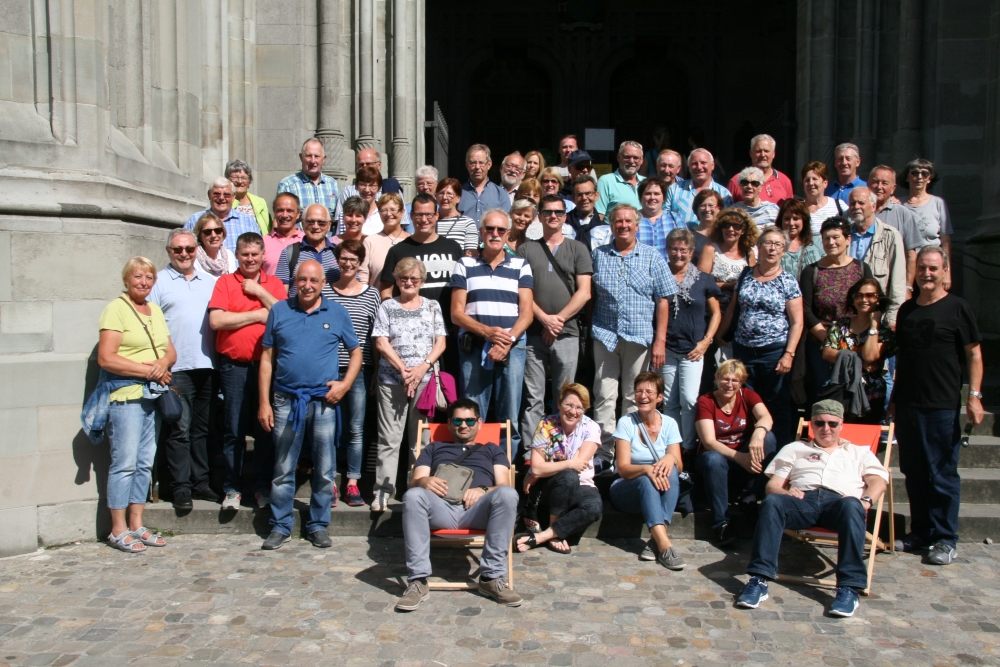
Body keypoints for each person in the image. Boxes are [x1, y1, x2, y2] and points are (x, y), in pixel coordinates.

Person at [735, 400, 889, 617]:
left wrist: (865, 501)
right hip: (802, 502)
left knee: (852, 504)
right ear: (811, 425)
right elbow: (772, 486)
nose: (826, 429)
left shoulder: (859, 452)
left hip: (840, 505)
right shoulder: (795, 449)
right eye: (820, 423)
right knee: (772, 502)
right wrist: (785, 493)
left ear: (841, 425)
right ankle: (759, 579)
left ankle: (848, 588)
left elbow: (878, 482)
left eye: (832, 424)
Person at [257, 260, 362, 550]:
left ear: (323, 284)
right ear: (294, 281)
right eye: (302, 280)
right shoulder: (279, 310)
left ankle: (318, 524)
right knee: (283, 466)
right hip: (286, 399)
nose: (307, 285)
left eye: (313, 280)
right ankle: (280, 525)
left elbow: (356, 353)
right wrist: (263, 402)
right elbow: (266, 358)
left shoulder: (337, 312)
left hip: (323, 401)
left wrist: (345, 385)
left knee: (325, 467)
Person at [890, 246, 984, 565]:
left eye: (933, 268)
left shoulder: (958, 308)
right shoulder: (906, 311)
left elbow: (974, 354)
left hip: (941, 405)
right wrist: (894, 399)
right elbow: (902, 358)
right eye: (922, 269)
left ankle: (945, 538)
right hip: (908, 403)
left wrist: (974, 396)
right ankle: (921, 533)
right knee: (914, 472)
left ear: (945, 272)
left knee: (941, 474)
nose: (927, 274)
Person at [395, 399, 520, 611]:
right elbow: (414, 482)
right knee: (414, 495)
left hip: (478, 511)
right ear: (449, 423)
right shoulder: (434, 447)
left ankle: (491, 577)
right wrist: (424, 482)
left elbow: (503, 485)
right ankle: (418, 581)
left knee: (508, 494)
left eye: (470, 420)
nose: (464, 425)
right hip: (440, 508)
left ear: (479, 422)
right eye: (458, 420)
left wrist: (482, 490)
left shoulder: (492, 449)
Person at [96, 257, 178, 552]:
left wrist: (161, 364)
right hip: (126, 397)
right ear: (127, 280)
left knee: (145, 463)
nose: (143, 282)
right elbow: (106, 358)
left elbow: (170, 351)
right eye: (138, 277)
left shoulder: (154, 309)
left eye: (148, 277)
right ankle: (117, 529)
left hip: (152, 396)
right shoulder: (116, 309)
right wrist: (148, 370)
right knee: (125, 463)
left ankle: (137, 523)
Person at [590, 203, 677, 464]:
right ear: (612, 225)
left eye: (629, 221)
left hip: (639, 337)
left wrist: (660, 340)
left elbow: (663, 300)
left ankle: (628, 455)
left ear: (637, 226)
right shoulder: (598, 255)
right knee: (604, 395)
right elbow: (590, 295)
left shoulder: (652, 256)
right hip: (605, 335)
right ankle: (604, 454)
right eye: (618, 221)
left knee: (634, 396)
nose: (624, 225)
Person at [208, 232, 288, 510]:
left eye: (255, 254)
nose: (250, 259)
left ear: (263, 255)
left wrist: (259, 292)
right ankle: (232, 488)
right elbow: (217, 321)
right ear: (237, 255)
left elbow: (284, 315)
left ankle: (262, 486)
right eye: (245, 254)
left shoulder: (274, 284)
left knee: (266, 428)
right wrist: (256, 315)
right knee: (233, 428)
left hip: (268, 368)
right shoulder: (225, 282)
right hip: (235, 367)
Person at [451, 209, 534, 461]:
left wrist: (505, 342)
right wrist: (487, 333)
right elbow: (456, 313)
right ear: (481, 232)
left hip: (512, 348)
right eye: (489, 229)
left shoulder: (521, 264)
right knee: (473, 411)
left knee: (509, 411)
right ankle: (473, 465)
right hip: (474, 347)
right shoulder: (464, 264)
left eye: (500, 230)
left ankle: (506, 469)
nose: (494, 234)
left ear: (508, 234)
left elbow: (527, 313)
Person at [148, 230, 218, 510]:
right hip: (176, 368)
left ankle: (201, 482)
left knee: (202, 430)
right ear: (169, 251)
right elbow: (150, 327)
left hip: (207, 365)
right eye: (178, 250)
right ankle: (180, 487)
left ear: (196, 250)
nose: (184, 254)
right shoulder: (158, 283)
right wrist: (160, 362)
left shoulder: (210, 282)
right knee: (179, 429)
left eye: (189, 249)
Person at [371, 258, 448, 512]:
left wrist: (422, 368)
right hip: (392, 380)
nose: (408, 282)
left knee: (420, 440)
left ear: (422, 282)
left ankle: (417, 489)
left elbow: (440, 342)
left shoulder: (432, 306)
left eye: (414, 279)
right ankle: (383, 491)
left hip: (425, 381)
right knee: (389, 439)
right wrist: (403, 370)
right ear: (396, 280)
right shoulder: (387, 306)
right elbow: (381, 342)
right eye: (403, 278)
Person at [517, 195, 594, 448]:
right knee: (533, 398)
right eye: (547, 212)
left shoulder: (578, 248)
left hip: (568, 332)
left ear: (564, 217)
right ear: (539, 216)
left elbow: (585, 292)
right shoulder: (526, 249)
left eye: (558, 212)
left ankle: (562, 451)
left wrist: (557, 321)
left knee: (565, 398)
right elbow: (522, 292)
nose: (553, 216)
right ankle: (532, 453)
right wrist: (543, 319)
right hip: (533, 334)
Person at [721, 227, 803, 442]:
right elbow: (732, 308)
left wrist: (789, 354)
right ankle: (747, 450)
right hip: (743, 350)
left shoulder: (788, 281)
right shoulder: (746, 274)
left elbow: (797, 321)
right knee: (746, 401)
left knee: (776, 403)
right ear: (758, 247)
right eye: (767, 243)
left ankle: (778, 452)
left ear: (784, 251)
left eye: (777, 244)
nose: (772, 248)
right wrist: (721, 334)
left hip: (773, 352)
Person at [608, 372, 686, 570]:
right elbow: (623, 469)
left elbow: (679, 465)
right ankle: (666, 545)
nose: (643, 396)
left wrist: (671, 457)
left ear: (659, 397)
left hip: (660, 488)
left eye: (649, 391)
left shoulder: (670, 424)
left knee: (672, 471)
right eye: (639, 391)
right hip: (627, 488)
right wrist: (646, 469)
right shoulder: (626, 423)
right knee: (645, 479)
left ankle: (656, 540)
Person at [695, 359, 777, 545]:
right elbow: (708, 441)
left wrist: (758, 432)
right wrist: (740, 457)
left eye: (735, 380)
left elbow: (766, 417)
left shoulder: (748, 395)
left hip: (743, 459)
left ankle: (751, 495)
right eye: (725, 379)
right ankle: (721, 522)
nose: (729, 385)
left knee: (769, 438)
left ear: (741, 383)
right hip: (715, 458)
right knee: (713, 459)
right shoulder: (706, 401)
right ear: (716, 379)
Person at [381, 192, 463, 375]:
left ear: (437, 215)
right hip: (412, 339)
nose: (424, 219)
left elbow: (463, 290)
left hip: (449, 333)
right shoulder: (398, 251)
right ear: (411, 216)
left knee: (448, 389)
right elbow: (386, 292)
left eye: (428, 214)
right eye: (418, 215)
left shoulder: (454, 248)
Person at [517, 383, 602, 554]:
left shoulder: (591, 428)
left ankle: (544, 536)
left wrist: (543, 468)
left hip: (582, 484)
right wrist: (567, 463)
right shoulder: (546, 425)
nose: (573, 411)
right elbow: (537, 468)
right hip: (549, 486)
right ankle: (556, 534)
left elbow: (579, 464)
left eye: (579, 407)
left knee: (594, 507)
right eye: (569, 405)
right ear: (559, 404)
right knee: (568, 475)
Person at [329, 240, 383, 506]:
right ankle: (327, 482)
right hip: (328, 367)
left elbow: (375, 336)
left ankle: (352, 482)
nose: (348, 264)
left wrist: (375, 369)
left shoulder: (371, 294)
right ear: (337, 260)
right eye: (344, 258)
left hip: (360, 369)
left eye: (353, 259)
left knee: (356, 428)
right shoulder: (326, 291)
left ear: (361, 261)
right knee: (326, 427)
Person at [661, 228, 721, 451]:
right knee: (669, 403)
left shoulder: (703, 279)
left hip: (694, 349)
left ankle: (687, 448)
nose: (678, 254)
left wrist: (706, 341)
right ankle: (671, 448)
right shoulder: (659, 275)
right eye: (674, 249)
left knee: (689, 400)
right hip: (667, 348)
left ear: (691, 251)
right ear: (667, 250)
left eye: (683, 250)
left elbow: (716, 313)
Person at [801, 217, 873, 398]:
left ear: (848, 239)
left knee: (854, 392)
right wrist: (827, 338)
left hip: (855, 343)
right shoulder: (812, 271)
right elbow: (806, 308)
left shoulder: (861, 268)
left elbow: (871, 304)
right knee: (823, 391)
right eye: (826, 238)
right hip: (820, 344)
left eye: (836, 237)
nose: (831, 242)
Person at [822, 278, 896, 424]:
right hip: (840, 392)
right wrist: (859, 362)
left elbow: (870, 356)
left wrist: (874, 325)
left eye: (869, 295)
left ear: (878, 299)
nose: (864, 299)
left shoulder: (884, 332)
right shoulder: (841, 325)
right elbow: (827, 353)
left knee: (864, 441)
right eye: (859, 295)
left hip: (871, 396)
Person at [846, 187, 906, 327]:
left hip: (878, 316)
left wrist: (893, 317)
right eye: (852, 203)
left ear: (873, 206)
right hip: (849, 317)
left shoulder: (890, 235)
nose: (856, 207)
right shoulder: (843, 235)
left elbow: (897, 283)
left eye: (861, 203)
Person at [867, 165, 924, 288]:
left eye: (885, 183)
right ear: (868, 184)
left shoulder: (903, 214)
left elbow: (911, 255)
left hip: (892, 285)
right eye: (875, 182)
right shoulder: (854, 212)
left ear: (893, 189)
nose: (879, 187)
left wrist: (908, 287)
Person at [903, 158, 953, 289]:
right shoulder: (899, 205)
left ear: (929, 179)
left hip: (931, 267)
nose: (919, 177)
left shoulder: (938, 203)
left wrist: (947, 272)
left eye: (924, 173)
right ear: (907, 177)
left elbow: (945, 240)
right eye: (914, 173)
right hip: (906, 267)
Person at [274, 204, 341, 298]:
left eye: (321, 223)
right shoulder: (290, 252)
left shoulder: (339, 252)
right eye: (310, 222)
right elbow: (281, 293)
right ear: (302, 223)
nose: (315, 226)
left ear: (329, 225)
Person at [184, 178, 260, 254]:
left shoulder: (248, 222)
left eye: (226, 194)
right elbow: (184, 249)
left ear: (233, 197)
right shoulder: (195, 220)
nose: (221, 198)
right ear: (209, 195)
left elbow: (258, 251)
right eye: (216, 194)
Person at [335, 147, 404, 228]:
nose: (364, 167)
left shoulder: (392, 188)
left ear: (379, 165)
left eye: (368, 164)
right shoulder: (348, 191)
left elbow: (402, 222)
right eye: (361, 164)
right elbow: (341, 223)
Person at [663, 148, 733, 225]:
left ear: (712, 165)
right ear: (689, 168)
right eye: (694, 164)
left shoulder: (724, 194)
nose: (699, 167)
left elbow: (727, 223)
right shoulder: (675, 189)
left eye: (703, 162)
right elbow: (664, 219)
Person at [276, 138, 340, 220]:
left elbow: (338, 217)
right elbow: (280, 218)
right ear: (301, 157)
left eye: (316, 156)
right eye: (309, 156)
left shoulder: (332, 184)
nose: (313, 161)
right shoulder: (287, 185)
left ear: (324, 159)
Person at [709, 208, 758, 315]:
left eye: (736, 226)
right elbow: (701, 283)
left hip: (739, 313)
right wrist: (731, 285)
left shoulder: (749, 253)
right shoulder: (711, 249)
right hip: (712, 311)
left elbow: (751, 284)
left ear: (743, 230)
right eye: (726, 225)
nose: (731, 229)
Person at [726, 134, 794, 204]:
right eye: (758, 151)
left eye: (766, 151)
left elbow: (791, 211)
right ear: (751, 153)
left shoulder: (785, 181)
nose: (763, 155)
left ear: (773, 154)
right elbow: (726, 212)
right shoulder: (737, 181)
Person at [360, 192, 410, 286]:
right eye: (383, 210)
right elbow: (363, 278)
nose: (388, 214)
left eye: (393, 209)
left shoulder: (412, 241)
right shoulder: (370, 241)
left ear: (402, 212)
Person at [637, 177, 685, 265]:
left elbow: (686, 247)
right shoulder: (632, 220)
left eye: (657, 194)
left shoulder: (674, 218)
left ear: (663, 198)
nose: (652, 197)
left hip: (670, 273)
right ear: (641, 197)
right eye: (648, 194)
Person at [459, 144, 511, 224]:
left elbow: (506, 223)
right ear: (467, 165)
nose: (477, 167)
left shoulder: (501, 194)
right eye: (473, 163)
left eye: (481, 163)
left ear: (489, 165)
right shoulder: (458, 192)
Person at [596, 140, 645, 216]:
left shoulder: (646, 182)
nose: (631, 161)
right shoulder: (606, 181)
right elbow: (599, 215)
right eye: (627, 157)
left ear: (641, 160)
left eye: (636, 158)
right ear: (618, 157)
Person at [777, 198, 823, 279]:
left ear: (804, 220)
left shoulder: (817, 243)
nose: (791, 223)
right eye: (787, 219)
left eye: (796, 218)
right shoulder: (773, 245)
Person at [261, 193, 304, 276]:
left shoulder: (305, 240)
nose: (284, 215)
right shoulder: (262, 242)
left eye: (289, 211)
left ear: (298, 214)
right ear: (274, 212)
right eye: (280, 210)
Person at [435, 178, 480, 254]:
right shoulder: (430, 221)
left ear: (458, 198)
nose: (444, 197)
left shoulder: (467, 223)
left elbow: (471, 254)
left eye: (449, 194)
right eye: (441, 193)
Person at [226, 159, 270, 235]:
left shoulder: (260, 202)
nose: (239, 181)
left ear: (249, 181)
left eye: (244, 178)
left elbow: (268, 229)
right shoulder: (223, 201)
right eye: (235, 177)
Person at [566, 174, 607, 250]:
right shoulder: (562, 223)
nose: (584, 198)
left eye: (588, 193)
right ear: (573, 198)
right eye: (579, 195)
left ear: (596, 195)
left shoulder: (606, 229)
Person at [802, 161, 842, 236]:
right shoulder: (797, 207)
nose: (810, 183)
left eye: (815, 179)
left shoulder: (838, 206)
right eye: (807, 180)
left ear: (825, 183)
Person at [192, 212, 236, 277]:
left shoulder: (229, 255)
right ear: (200, 236)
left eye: (217, 230)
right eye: (207, 232)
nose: (213, 235)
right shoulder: (194, 258)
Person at [689, 189, 722, 272]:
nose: (707, 209)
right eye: (702, 206)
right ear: (696, 209)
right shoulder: (690, 236)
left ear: (719, 208)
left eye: (711, 205)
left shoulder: (726, 233)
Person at [353, 165, 386, 235]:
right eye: (363, 185)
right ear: (357, 186)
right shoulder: (349, 212)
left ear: (379, 188)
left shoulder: (385, 212)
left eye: (372, 186)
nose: (367, 190)